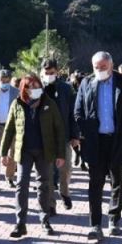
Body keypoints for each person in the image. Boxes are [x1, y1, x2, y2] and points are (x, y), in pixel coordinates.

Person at [74, 51, 122, 241]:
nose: (100, 70)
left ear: (111, 65)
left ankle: (114, 218)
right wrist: (85, 132)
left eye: (103, 67)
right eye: (96, 67)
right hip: (95, 142)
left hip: (118, 140)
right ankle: (95, 224)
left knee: (118, 183)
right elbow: (78, 111)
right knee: (95, 184)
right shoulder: (87, 83)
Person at [1, 72, 66, 237]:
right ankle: (20, 224)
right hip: (24, 152)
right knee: (21, 186)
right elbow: (9, 129)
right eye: (31, 87)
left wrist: (61, 154)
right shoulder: (17, 104)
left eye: (37, 86)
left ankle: (45, 220)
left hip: (45, 151)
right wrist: (3, 152)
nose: (35, 89)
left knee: (44, 186)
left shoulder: (49, 103)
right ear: (24, 89)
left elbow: (59, 129)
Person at [41, 58, 80, 211]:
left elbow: (73, 113)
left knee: (66, 168)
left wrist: (75, 135)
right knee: (48, 172)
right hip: (45, 138)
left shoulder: (66, 89)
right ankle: (51, 204)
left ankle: (64, 193)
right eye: (46, 73)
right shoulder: (39, 88)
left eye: (51, 72)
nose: (49, 75)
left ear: (57, 71)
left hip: (63, 136)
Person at [0, 69, 19, 190]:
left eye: (6, 80)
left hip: (12, 127)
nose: (4, 82)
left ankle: (10, 177)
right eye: (2, 80)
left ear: (10, 80)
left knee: (12, 153)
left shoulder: (16, 92)